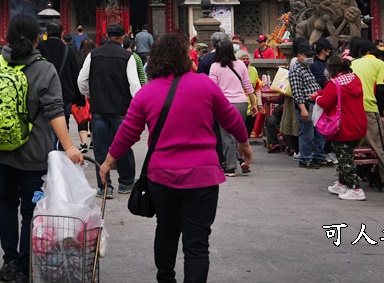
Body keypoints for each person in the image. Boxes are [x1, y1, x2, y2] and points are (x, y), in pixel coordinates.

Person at [99, 33, 251, 283]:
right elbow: (231, 118)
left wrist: (108, 162)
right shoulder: (204, 84)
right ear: (184, 58)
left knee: (167, 231)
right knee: (197, 243)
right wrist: (244, 144)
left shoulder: (147, 93)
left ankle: (165, 279)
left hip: (163, 178)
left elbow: (128, 132)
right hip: (203, 177)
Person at [0, 13, 83, 283]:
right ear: (38, 39)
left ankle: (8, 262)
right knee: (30, 209)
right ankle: (24, 267)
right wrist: (69, 147)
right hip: (33, 152)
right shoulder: (44, 68)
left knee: (6, 202)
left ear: (6, 38)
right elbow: (55, 111)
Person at [77, 22, 141, 199]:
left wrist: (90, 94)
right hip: (121, 108)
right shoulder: (127, 57)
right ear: (123, 38)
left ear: (106, 36)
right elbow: (134, 85)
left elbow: (82, 80)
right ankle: (126, 182)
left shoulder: (93, 55)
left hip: (99, 107)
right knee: (123, 144)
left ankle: (104, 186)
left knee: (100, 147)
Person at [347, 37, 384, 192]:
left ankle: (344, 178)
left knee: (348, 147)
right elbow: (380, 89)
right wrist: (379, 111)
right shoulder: (379, 64)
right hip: (368, 109)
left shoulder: (353, 63)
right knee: (380, 146)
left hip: (350, 109)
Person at [315, 55, 368, 201]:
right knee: (346, 154)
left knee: (344, 158)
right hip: (358, 123)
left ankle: (355, 188)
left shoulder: (334, 84)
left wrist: (316, 98)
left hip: (343, 126)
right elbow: (337, 95)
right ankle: (342, 183)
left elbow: (325, 102)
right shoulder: (354, 79)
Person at [207, 41, 254, 176]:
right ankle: (241, 160)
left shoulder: (215, 67)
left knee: (227, 136)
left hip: (225, 104)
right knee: (239, 134)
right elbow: (248, 85)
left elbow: (212, 88)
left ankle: (231, 166)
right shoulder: (240, 64)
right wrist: (255, 104)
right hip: (242, 103)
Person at [37, 21, 85, 149]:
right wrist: (80, 100)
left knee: (48, 128)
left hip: (43, 94)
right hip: (64, 95)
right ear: (62, 34)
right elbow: (76, 75)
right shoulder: (68, 51)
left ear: (46, 33)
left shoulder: (39, 48)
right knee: (64, 126)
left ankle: (50, 157)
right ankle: (60, 157)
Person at [290, 40, 327, 168]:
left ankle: (319, 156)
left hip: (315, 104)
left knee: (319, 132)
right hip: (305, 104)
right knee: (307, 133)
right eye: (307, 56)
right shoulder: (296, 70)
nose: (310, 58)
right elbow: (296, 92)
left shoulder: (307, 68)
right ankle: (305, 158)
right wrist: (303, 109)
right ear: (299, 56)